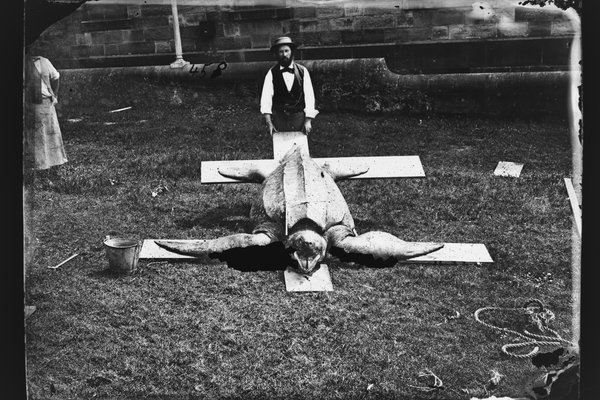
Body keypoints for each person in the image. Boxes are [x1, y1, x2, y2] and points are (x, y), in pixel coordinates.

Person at [23, 50, 68, 185]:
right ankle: (39, 170)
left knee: (52, 135)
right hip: (30, 104)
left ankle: (54, 168)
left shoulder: (44, 61)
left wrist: (54, 95)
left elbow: (56, 77)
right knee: (37, 138)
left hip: (46, 103)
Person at [260, 36, 318, 136]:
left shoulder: (303, 71)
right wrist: (269, 123)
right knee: (280, 149)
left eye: (287, 51)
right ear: (277, 54)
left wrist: (308, 121)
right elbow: (266, 99)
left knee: (299, 148)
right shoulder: (271, 73)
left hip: (298, 118)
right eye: (281, 52)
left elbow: (309, 97)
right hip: (279, 118)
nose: (284, 54)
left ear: (291, 52)